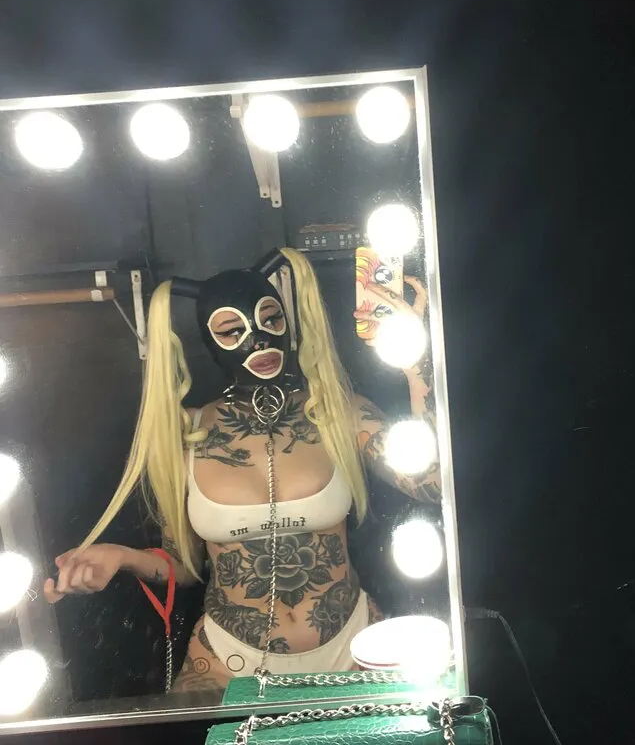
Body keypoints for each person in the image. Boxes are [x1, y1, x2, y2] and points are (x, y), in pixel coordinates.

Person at [44, 247, 439, 691]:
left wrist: (417, 365)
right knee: (190, 738)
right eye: (233, 330)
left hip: (353, 648)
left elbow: (431, 484)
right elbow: (184, 565)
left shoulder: (337, 412)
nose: (259, 340)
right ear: (209, 340)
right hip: (228, 659)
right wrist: (120, 558)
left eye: (271, 320)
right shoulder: (185, 433)